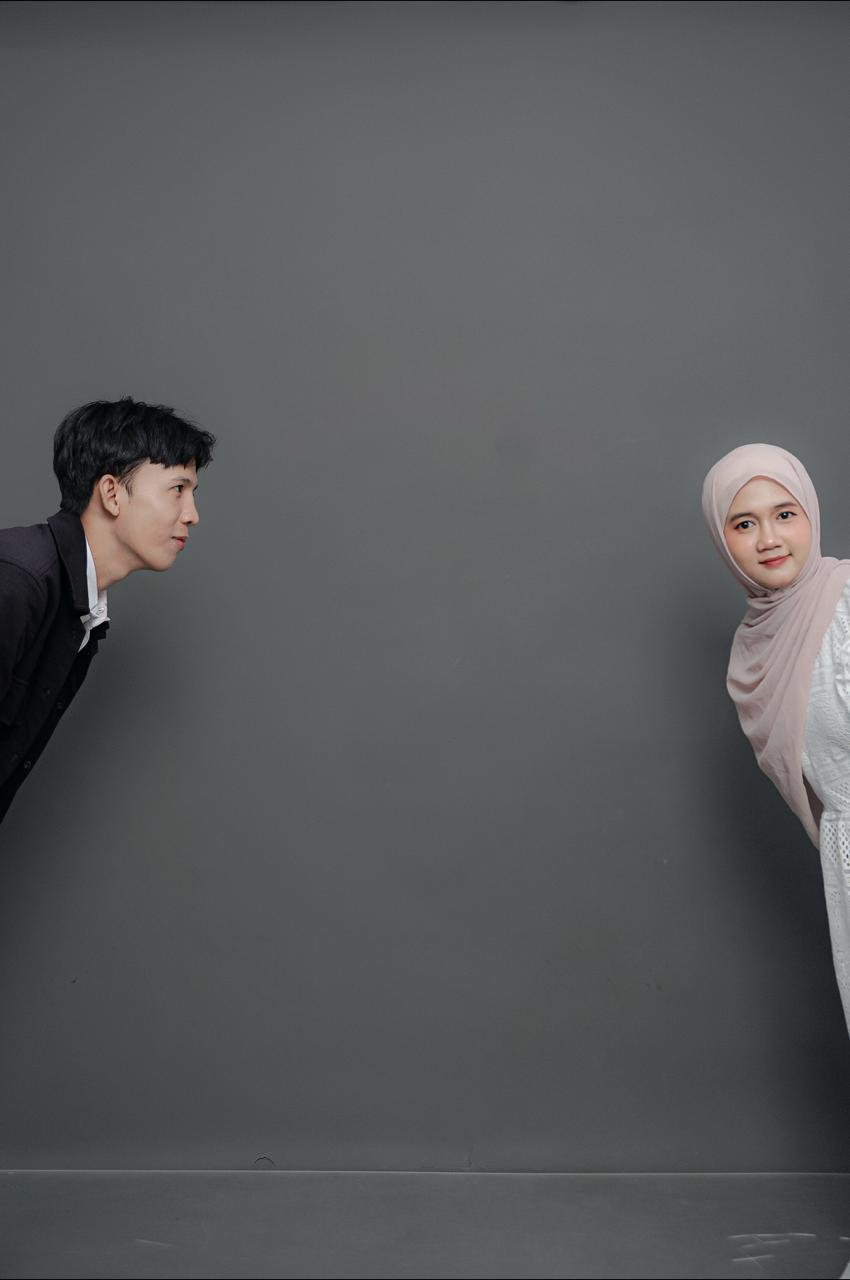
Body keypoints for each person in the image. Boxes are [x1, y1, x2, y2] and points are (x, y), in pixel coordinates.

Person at [0, 396, 215, 825]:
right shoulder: (18, 581)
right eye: (177, 489)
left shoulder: (81, 613)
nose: (192, 515)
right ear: (112, 493)